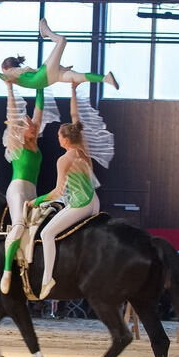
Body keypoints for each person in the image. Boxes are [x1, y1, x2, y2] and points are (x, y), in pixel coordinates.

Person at [28, 82, 114, 299]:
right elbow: (76, 118)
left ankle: (48, 278)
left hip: (81, 203)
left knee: (47, 233)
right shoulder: (84, 148)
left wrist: (36, 201)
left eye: (58, 136)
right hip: (94, 200)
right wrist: (73, 91)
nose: (57, 139)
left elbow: (57, 192)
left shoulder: (64, 159)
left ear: (65, 140)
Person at [0, 76, 46, 295]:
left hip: (33, 190)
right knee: (19, 226)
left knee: (37, 229)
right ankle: (7, 271)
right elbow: (12, 113)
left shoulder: (36, 140)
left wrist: (43, 81)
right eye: (28, 124)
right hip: (17, 189)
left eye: (32, 123)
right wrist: (9, 87)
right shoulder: (16, 142)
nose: (32, 125)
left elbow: (40, 108)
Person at [0, 18, 119, 94]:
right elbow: (7, 78)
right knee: (62, 40)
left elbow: (11, 76)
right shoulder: (13, 74)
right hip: (46, 77)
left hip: (47, 78)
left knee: (78, 76)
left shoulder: (15, 73)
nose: (5, 73)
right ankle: (46, 32)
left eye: (3, 70)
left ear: (8, 67)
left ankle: (105, 79)